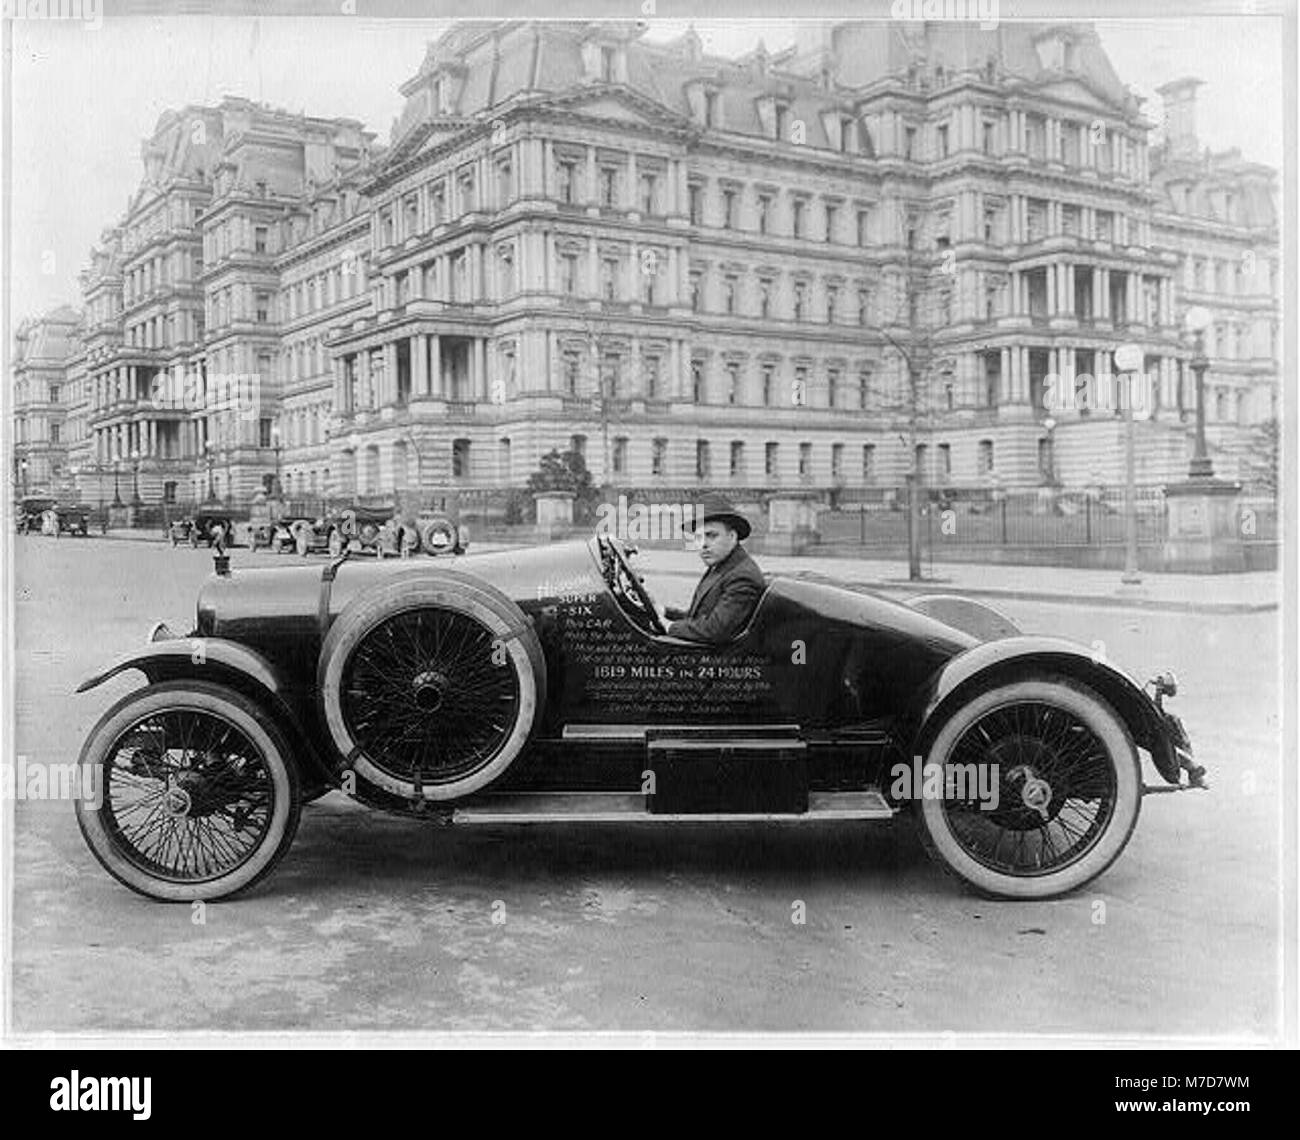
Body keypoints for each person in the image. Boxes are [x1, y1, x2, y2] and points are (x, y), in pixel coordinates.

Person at [660, 494, 765, 643]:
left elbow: (714, 630)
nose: (703, 544)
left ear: (732, 536)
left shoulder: (742, 576)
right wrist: (664, 611)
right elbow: (698, 617)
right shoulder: (722, 565)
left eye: (711, 535)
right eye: (698, 538)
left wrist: (669, 626)